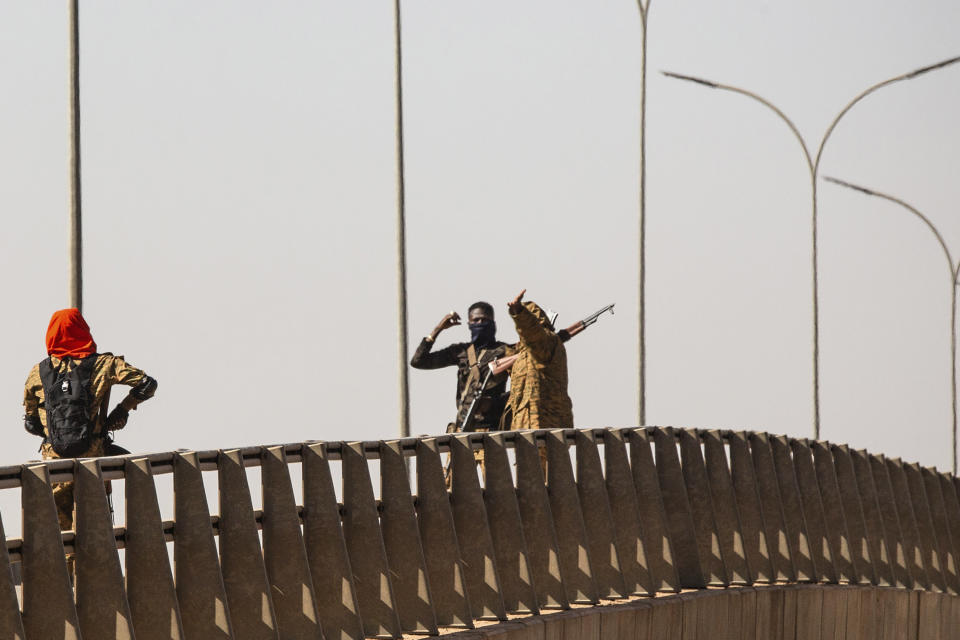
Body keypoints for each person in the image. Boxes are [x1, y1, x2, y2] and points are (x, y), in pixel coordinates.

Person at [23, 308, 157, 531]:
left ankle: (67, 566)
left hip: (54, 466)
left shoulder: (37, 372)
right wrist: (122, 410)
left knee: (59, 538)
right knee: (95, 535)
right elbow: (148, 384)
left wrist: (54, 436)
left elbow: (30, 423)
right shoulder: (105, 364)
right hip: (93, 463)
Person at [410, 301, 512, 432]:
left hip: (490, 431)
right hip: (462, 429)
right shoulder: (461, 352)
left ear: (493, 323)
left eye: (484, 319)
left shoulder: (506, 352)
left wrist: (494, 403)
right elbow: (419, 361)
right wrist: (438, 329)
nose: (480, 323)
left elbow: (521, 389)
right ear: (469, 324)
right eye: (476, 320)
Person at [505, 289, 573, 430]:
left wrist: (520, 313)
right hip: (526, 431)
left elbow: (534, 334)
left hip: (547, 429)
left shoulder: (548, 342)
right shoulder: (522, 355)